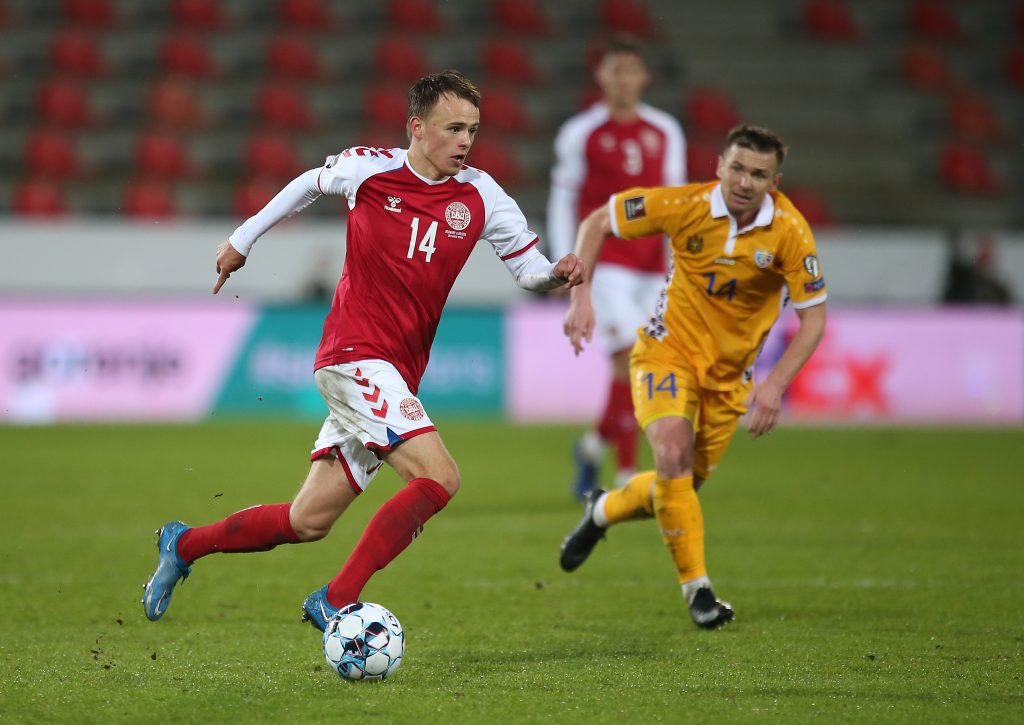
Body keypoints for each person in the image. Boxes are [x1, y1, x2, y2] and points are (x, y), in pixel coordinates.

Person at [143, 70, 583, 630]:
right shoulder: (369, 168)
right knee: (440, 477)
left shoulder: (481, 195)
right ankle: (337, 596)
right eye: (453, 128)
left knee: (308, 521)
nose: (466, 141)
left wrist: (556, 274)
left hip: (398, 370)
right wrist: (242, 240)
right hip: (354, 356)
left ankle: (184, 545)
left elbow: (526, 270)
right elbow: (307, 183)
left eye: (473, 129)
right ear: (417, 127)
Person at [559, 124, 827, 629]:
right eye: (738, 168)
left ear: (776, 180)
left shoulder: (790, 232)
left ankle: (602, 512)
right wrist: (580, 295)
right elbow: (598, 221)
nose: (746, 182)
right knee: (673, 454)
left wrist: (773, 386)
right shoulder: (685, 204)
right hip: (667, 352)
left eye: (759, 174)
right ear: (719, 167)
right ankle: (698, 592)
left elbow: (814, 319)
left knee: (674, 488)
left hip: (729, 380)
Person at [547, 37, 686, 500]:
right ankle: (628, 473)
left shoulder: (665, 130)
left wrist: (681, 260)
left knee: (641, 363)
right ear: (601, 75)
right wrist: (568, 261)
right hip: (604, 264)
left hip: (652, 265)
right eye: (615, 69)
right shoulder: (579, 132)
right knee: (628, 354)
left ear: (644, 77)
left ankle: (590, 448)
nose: (623, 78)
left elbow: (677, 200)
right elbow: (565, 199)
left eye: (631, 69)